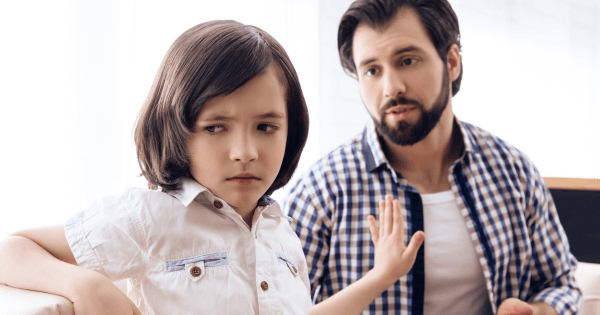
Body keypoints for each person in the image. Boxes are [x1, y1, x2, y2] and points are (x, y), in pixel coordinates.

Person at [0, 19, 425, 315]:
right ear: (178, 128)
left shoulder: (281, 231)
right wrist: (85, 284)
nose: (245, 151)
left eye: (266, 126)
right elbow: (11, 250)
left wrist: (382, 275)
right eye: (216, 127)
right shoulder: (149, 216)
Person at [283, 1, 581, 315]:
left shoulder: (513, 171)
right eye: (371, 70)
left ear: (452, 62)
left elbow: (561, 282)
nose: (391, 88)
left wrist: (537, 311)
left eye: (407, 61)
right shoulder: (320, 191)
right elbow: (282, 308)